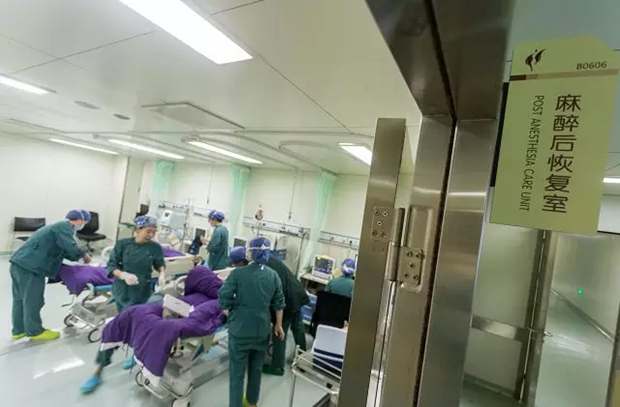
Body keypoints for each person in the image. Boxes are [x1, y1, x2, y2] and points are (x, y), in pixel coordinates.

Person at [80, 215, 166, 394]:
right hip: (122, 292)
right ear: (138, 229)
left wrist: (162, 274)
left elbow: (160, 263)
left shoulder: (155, 247)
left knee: (123, 327)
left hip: (142, 293)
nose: (151, 235)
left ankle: (103, 368)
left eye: (153, 232)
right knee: (123, 328)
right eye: (148, 231)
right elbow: (111, 266)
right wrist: (123, 275)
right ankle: (101, 370)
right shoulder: (123, 245)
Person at [218, 237, 285, 407]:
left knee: (237, 374)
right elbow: (279, 303)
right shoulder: (273, 275)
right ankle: (252, 402)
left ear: (252, 252)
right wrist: (278, 325)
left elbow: (223, 298)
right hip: (262, 329)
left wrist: (234, 309)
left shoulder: (238, 274)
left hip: (240, 329)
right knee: (256, 369)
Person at [9, 209, 92, 341]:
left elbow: (64, 250)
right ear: (80, 220)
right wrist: (83, 255)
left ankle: (19, 330)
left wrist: (76, 258)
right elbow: (70, 247)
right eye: (84, 222)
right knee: (33, 300)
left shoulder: (56, 228)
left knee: (20, 299)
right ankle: (35, 332)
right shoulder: (64, 227)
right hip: (31, 267)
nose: (83, 225)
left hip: (20, 263)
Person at [262, 254, 309, 376]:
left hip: (287, 299)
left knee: (279, 331)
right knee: (298, 328)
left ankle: (277, 367)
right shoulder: (269, 258)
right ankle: (303, 361)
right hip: (296, 294)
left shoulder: (262, 268)